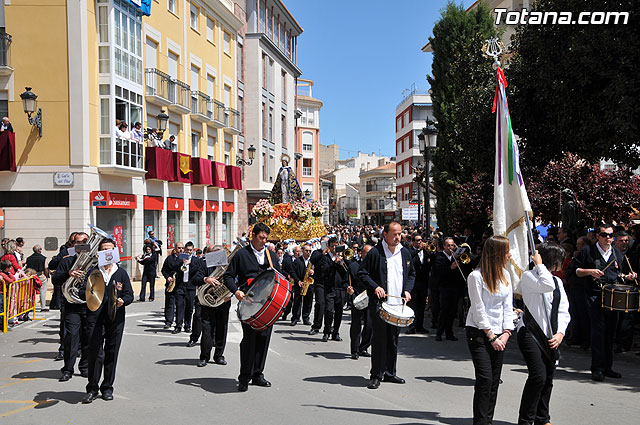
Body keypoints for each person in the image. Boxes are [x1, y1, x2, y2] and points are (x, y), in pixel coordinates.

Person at [222, 222, 282, 391]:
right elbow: (228, 276)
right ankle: (244, 376)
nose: (264, 241)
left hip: (267, 304)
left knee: (264, 338)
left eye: (266, 238)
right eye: (261, 237)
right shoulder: (241, 255)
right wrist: (236, 292)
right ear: (253, 236)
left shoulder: (271, 256)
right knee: (249, 340)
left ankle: (258, 374)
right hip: (248, 303)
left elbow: (279, 276)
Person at [573, 224, 636, 381]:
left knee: (610, 333)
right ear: (597, 236)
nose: (608, 238)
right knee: (598, 332)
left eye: (610, 235)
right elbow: (575, 271)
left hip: (612, 297)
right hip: (594, 296)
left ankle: (607, 367)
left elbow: (618, 273)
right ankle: (597, 368)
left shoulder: (616, 253)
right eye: (604, 235)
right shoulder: (588, 252)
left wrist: (628, 277)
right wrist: (589, 272)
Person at [517, 243, 570, 425]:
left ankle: (542, 418)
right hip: (530, 333)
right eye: (559, 261)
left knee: (548, 378)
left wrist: (561, 333)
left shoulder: (558, 282)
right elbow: (546, 285)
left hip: (551, 335)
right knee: (538, 376)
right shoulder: (529, 276)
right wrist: (539, 265)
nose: (561, 265)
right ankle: (526, 420)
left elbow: (564, 310)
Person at [357, 222, 414, 390]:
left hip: (397, 305)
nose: (398, 237)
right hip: (381, 305)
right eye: (394, 234)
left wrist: (408, 290)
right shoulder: (376, 253)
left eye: (400, 234)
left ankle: (390, 372)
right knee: (380, 339)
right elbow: (362, 273)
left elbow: (411, 275)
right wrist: (375, 287)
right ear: (385, 234)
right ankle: (376, 375)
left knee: (393, 340)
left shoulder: (405, 253)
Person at [465, 235, 515, 425]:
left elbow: (507, 307)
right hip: (478, 332)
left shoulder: (505, 275)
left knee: (494, 380)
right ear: (497, 253)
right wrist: (491, 336)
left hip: (500, 334)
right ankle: (480, 422)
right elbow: (478, 309)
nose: (510, 255)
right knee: (485, 379)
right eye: (507, 251)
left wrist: (507, 333)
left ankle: (488, 420)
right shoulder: (475, 276)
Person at [81, 239, 133, 403]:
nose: (107, 253)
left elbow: (129, 294)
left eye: (110, 249)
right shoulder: (93, 272)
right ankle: (92, 388)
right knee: (95, 353)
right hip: (95, 319)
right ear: (99, 253)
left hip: (115, 319)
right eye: (104, 250)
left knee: (112, 353)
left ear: (115, 251)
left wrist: (123, 301)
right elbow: (83, 291)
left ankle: (107, 388)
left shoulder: (121, 273)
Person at [52, 232, 91, 382]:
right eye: (79, 243)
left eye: (85, 242)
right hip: (71, 305)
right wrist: (68, 274)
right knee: (71, 337)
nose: (82, 245)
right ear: (73, 245)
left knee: (87, 338)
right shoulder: (67, 261)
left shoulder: (94, 262)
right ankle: (67, 369)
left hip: (89, 304)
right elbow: (55, 279)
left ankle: (85, 367)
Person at [195, 245, 231, 366]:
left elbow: (235, 279)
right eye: (217, 255)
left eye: (222, 254)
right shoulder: (204, 263)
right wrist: (206, 279)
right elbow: (195, 278)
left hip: (223, 302)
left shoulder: (229, 265)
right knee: (206, 330)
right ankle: (204, 356)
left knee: (222, 329)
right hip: (207, 303)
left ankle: (219, 356)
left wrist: (230, 293)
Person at [433, 237, 466, 341]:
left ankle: (449, 333)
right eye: (448, 245)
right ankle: (439, 333)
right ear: (444, 246)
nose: (450, 247)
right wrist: (450, 267)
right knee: (444, 310)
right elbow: (439, 271)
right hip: (444, 287)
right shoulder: (440, 256)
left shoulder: (455, 257)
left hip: (454, 287)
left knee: (452, 311)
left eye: (452, 245)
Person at [347, 244, 373, 359]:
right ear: (361, 253)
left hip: (371, 298)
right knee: (356, 325)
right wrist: (348, 288)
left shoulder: (374, 267)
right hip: (357, 298)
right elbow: (346, 281)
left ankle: (363, 347)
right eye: (367, 253)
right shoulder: (353, 266)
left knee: (370, 325)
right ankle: (355, 350)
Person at [407, 234, 430, 334]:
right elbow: (411, 259)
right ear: (413, 242)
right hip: (414, 283)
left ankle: (420, 325)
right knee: (413, 306)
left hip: (423, 282)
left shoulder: (425, 252)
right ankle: (411, 326)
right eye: (417, 240)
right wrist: (418, 251)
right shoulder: (410, 251)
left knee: (421, 305)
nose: (420, 242)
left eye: (421, 240)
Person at [161, 244, 183, 330]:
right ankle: (168, 321)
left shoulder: (184, 258)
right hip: (171, 283)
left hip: (180, 284)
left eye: (182, 248)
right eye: (179, 248)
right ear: (175, 248)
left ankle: (179, 323)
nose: (180, 250)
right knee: (169, 303)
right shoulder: (169, 258)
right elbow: (163, 270)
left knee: (180, 304)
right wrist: (167, 277)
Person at [291, 243, 314, 326]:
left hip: (309, 284)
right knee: (297, 301)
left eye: (310, 251)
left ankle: (306, 318)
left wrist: (313, 272)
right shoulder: (297, 261)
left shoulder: (312, 262)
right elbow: (292, 272)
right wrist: (298, 281)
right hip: (299, 283)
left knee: (308, 302)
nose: (308, 252)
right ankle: (295, 318)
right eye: (306, 250)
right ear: (302, 251)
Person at [26, 245, 49, 311]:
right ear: (39, 250)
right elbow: (45, 268)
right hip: (41, 276)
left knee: (31, 292)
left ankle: (31, 306)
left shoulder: (29, 258)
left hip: (31, 276)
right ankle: (43, 307)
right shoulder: (44, 258)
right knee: (43, 292)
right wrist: (47, 275)